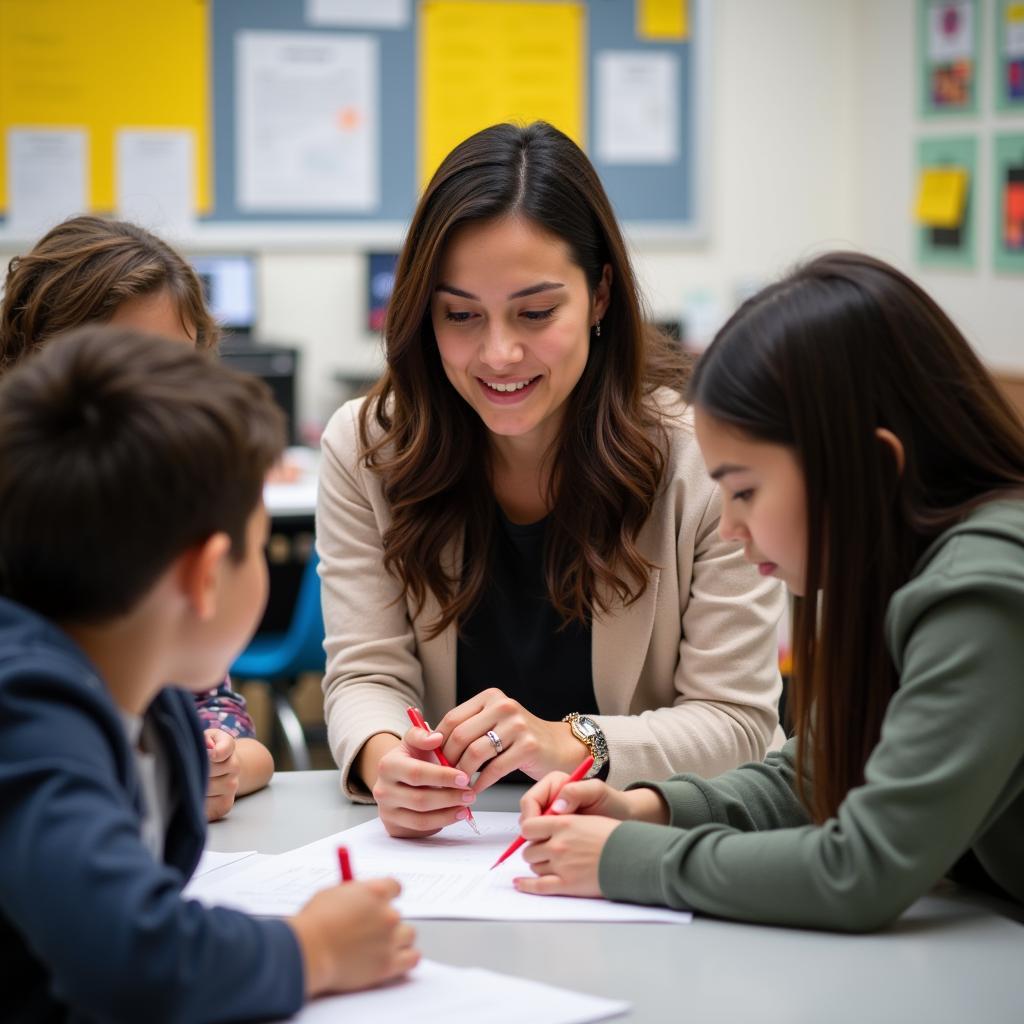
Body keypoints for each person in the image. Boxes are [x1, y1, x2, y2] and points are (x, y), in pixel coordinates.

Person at [513, 252, 1024, 931]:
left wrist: (626, 859)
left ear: (870, 467)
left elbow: (860, 870)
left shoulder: (980, 594)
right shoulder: (902, 564)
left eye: (746, 490)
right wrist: (646, 809)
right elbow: (820, 774)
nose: (729, 527)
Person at [317, 121, 785, 837]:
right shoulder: (367, 448)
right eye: (460, 315)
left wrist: (576, 742)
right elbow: (367, 675)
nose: (499, 353)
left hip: (652, 844)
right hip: (454, 858)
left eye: (536, 313)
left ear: (600, 296)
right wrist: (390, 764)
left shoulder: (699, 461)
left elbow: (738, 720)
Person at [0, 327, 418, 1021]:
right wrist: (308, 950)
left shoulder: (148, 706)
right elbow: (132, 955)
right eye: (258, 549)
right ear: (204, 576)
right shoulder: (29, 712)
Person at [0, 215, 273, 820]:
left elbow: (234, 731)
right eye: (126, 370)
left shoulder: (168, 519)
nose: (161, 406)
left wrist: (217, 764)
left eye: (177, 370)